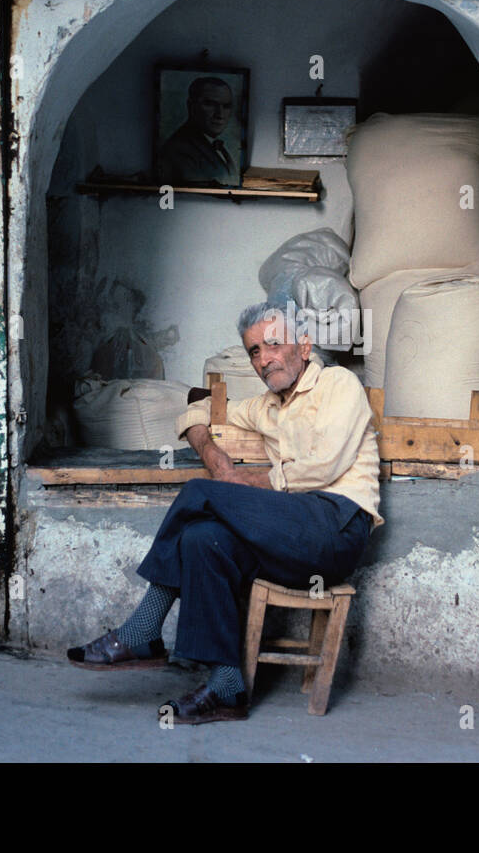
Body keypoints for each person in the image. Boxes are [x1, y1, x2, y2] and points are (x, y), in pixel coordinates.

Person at [67, 301, 382, 723]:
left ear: (303, 346)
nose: (264, 358)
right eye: (254, 351)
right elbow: (195, 411)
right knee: (203, 540)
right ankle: (226, 686)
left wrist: (238, 484)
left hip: (336, 528)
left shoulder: (339, 384)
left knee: (200, 494)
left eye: (273, 344)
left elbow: (323, 467)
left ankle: (141, 631)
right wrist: (215, 458)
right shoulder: (266, 407)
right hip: (288, 535)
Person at [155, 77, 241, 186]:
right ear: (191, 106)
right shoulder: (179, 151)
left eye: (226, 106)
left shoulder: (214, 145)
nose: (220, 114)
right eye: (210, 104)